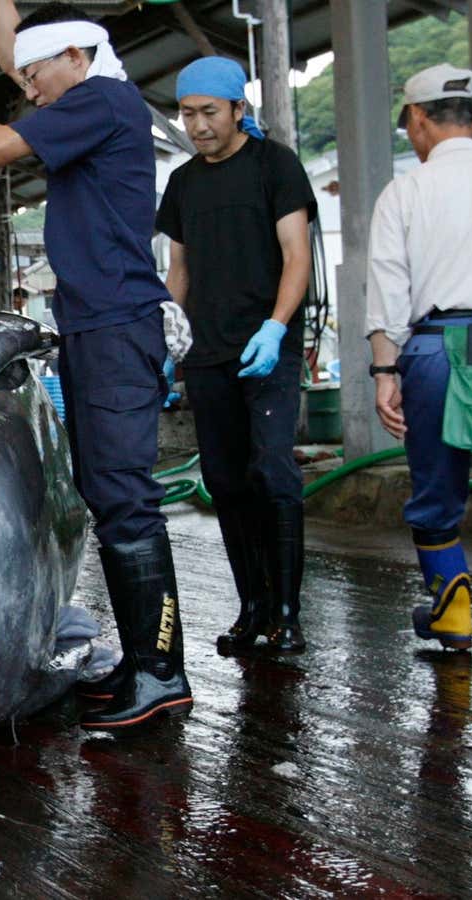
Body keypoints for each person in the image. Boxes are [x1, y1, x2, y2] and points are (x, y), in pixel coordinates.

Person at [0, 1, 190, 730]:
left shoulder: (102, 100)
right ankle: (145, 664)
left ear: (75, 56)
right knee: (108, 492)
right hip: (92, 324)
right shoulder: (86, 85)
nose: (29, 88)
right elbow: (21, 55)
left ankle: (162, 670)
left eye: (38, 77)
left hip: (115, 326)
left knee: (124, 495)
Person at [156, 57, 317, 656]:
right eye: (187, 113)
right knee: (223, 480)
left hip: (265, 346)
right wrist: (167, 343)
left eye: (208, 113)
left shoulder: (275, 165)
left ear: (238, 111)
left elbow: (295, 254)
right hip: (207, 349)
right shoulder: (183, 182)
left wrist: (276, 328)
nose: (197, 125)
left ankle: (286, 613)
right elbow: (179, 271)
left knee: (272, 471)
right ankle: (251, 608)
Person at [367, 63, 472, 652]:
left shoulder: (406, 191)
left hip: (440, 345)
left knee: (438, 490)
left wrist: (386, 371)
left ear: (416, 120)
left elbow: (389, 291)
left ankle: (453, 613)